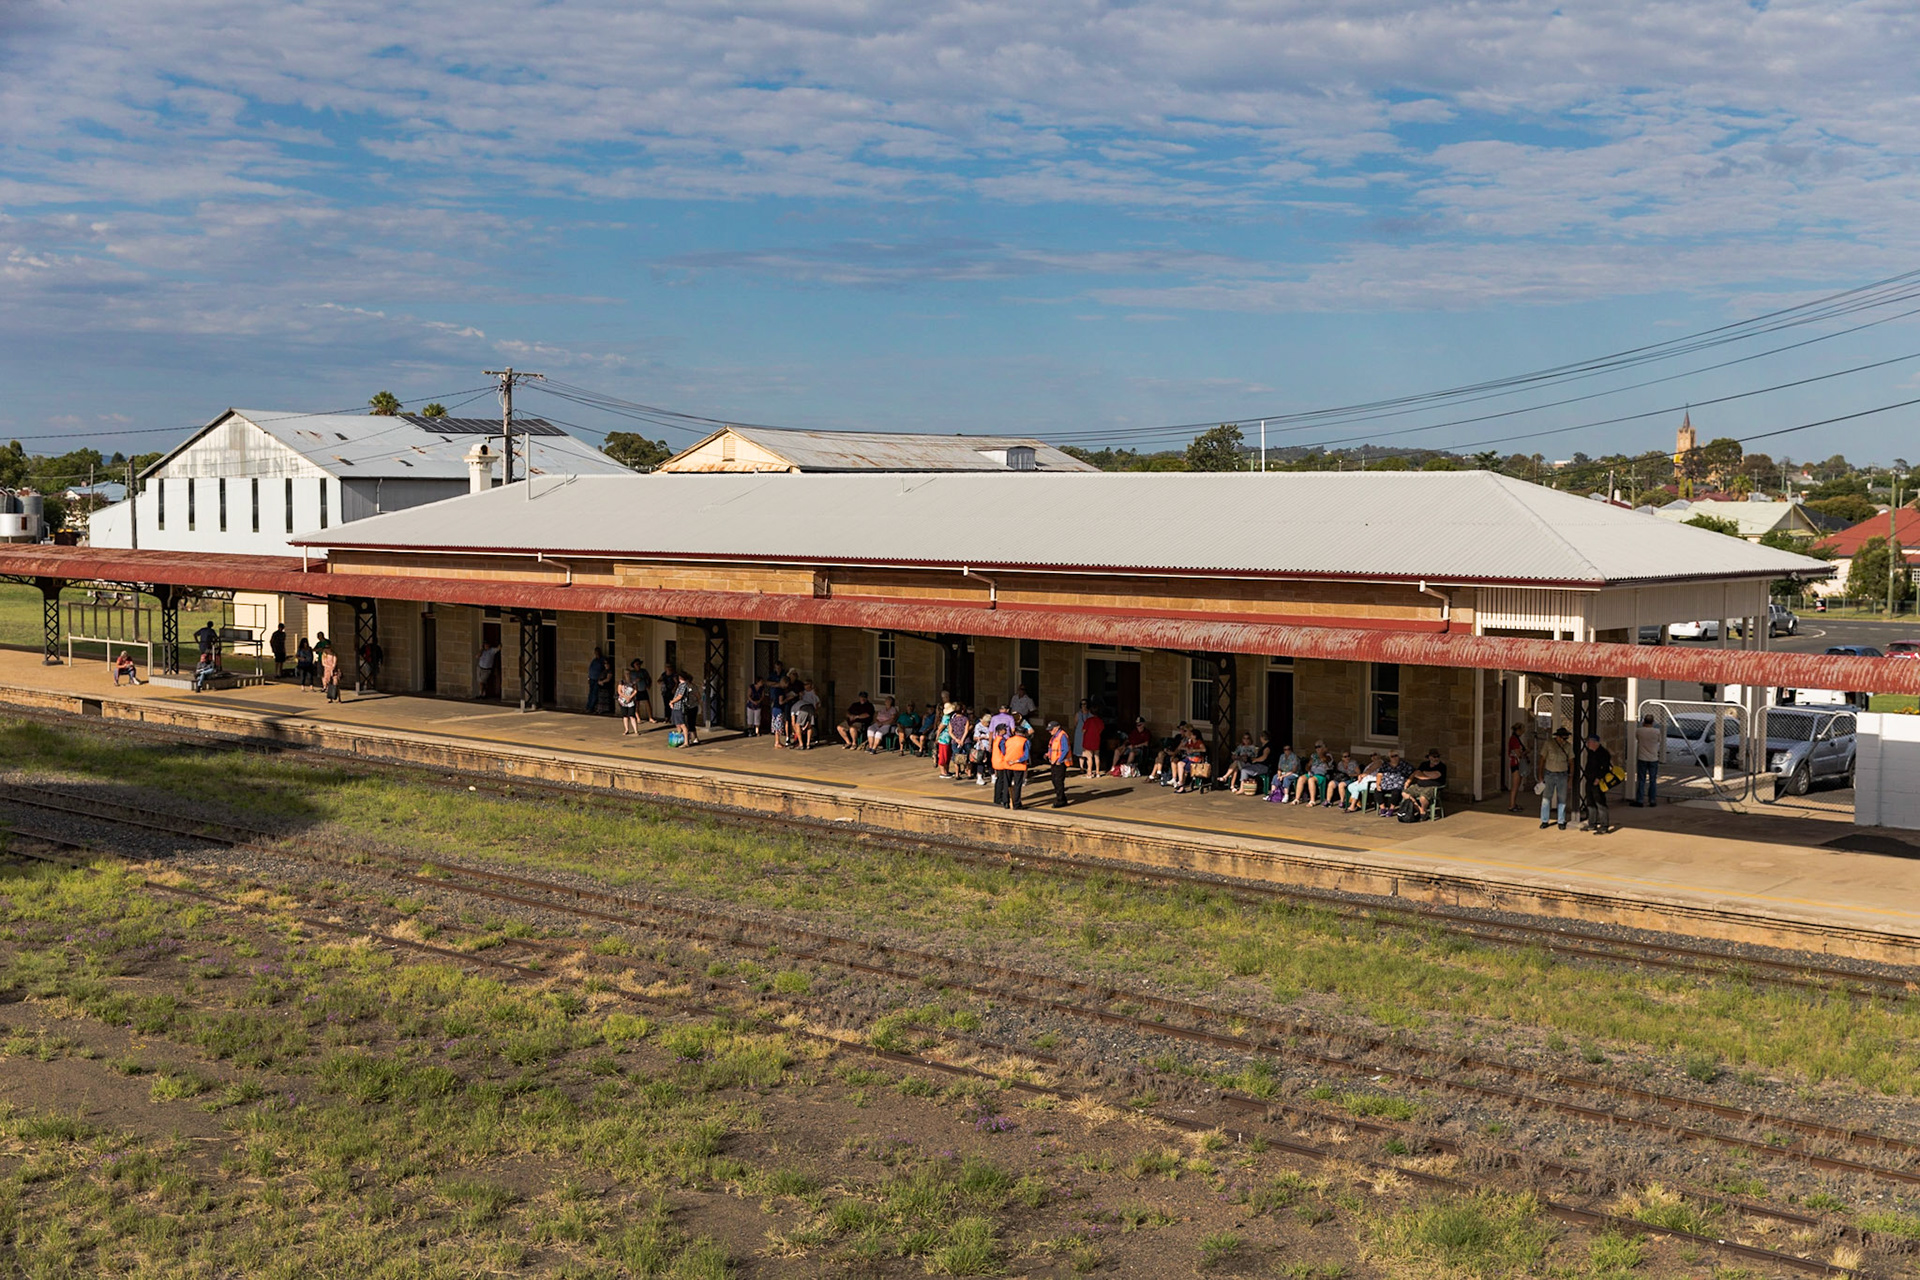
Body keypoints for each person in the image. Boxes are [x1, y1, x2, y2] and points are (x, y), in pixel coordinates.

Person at [1539, 726, 1572, 831]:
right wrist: (1540, 775)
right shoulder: (1549, 744)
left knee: (1562, 799)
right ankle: (1544, 820)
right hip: (1549, 774)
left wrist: (1570, 777)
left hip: (1562, 775)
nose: (1564, 740)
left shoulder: (1568, 746)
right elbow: (1542, 759)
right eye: (1563, 738)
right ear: (1557, 737)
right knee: (1546, 798)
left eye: (1565, 738)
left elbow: (1572, 762)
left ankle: (1561, 821)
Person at [1583, 733, 1615, 835]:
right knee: (1590, 803)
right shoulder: (1591, 752)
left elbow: (1605, 768)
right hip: (1589, 781)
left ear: (1594, 742)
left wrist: (1598, 778)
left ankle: (1604, 826)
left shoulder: (1603, 753)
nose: (1587, 744)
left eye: (1589, 742)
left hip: (1598, 782)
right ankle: (1592, 823)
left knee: (1600, 803)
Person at [1405, 749, 1447, 819]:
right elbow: (1416, 774)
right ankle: (1421, 810)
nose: (1436, 758)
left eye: (1438, 757)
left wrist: (1423, 774)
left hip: (1433, 786)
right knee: (1405, 793)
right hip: (1419, 785)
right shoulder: (1424, 764)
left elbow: (1436, 775)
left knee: (1423, 798)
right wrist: (1428, 776)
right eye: (1434, 757)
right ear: (1429, 757)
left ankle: (1423, 810)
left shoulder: (1442, 766)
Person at [1632, 713, 1662, 808]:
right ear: (1652, 722)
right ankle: (1652, 800)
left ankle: (1640, 800)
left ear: (1644, 721)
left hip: (1642, 757)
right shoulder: (1656, 731)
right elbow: (1659, 741)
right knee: (1653, 780)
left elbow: (1637, 738)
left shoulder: (1639, 731)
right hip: (1653, 758)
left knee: (1641, 779)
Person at [998, 721, 1030, 809]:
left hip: (1007, 764)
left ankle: (1006, 802)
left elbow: (1004, 751)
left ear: (1015, 732)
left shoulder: (1008, 740)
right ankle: (1016, 804)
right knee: (1017, 785)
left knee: (1006, 784)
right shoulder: (1025, 741)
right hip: (1018, 765)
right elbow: (1026, 755)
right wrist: (1017, 760)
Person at [1506, 723, 1534, 812]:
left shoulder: (1516, 739)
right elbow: (1518, 754)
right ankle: (1511, 804)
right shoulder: (1514, 740)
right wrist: (1526, 752)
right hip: (1516, 764)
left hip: (1516, 764)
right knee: (1515, 786)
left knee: (1517, 785)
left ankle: (1513, 803)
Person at [1374, 750, 1411, 816]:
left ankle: (1391, 809)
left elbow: (1414, 772)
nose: (1394, 758)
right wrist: (1378, 784)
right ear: (1389, 757)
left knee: (1396, 792)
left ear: (1399, 756)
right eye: (1392, 756)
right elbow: (1379, 774)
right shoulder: (1385, 764)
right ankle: (1383, 809)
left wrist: (1408, 781)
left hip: (1397, 783)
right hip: (1386, 783)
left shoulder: (1404, 764)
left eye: (1396, 756)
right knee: (1377, 790)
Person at [1045, 719, 1072, 808]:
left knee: (1058, 781)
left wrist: (1059, 760)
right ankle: (1062, 798)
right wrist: (1048, 754)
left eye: (1051, 729)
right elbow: (1052, 748)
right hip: (1054, 762)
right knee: (1055, 780)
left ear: (1057, 728)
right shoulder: (1054, 736)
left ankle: (1060, 800)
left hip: (1059, 763)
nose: (1049, 731)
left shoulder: (1062, 735)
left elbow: (1065, 749)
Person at [1077, 706, 1106, 776]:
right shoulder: (1100, 721)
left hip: (1088, 740)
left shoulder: (1089, 720)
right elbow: (1102, 729)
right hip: (1096, 739)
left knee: (1089, 757)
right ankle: (1098, 772)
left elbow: (1083, 730)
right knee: (1097, 756)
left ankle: (1089, 772)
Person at [791, 681, 820, 749]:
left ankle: (801, 744)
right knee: (809, 726)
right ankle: (808, 744)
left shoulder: (793, 708)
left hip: (804, 709)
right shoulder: (802, 697)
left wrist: (795, 731)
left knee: (797, 725)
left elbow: (793, 723)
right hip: (811, 707)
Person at [586, 648, 610, 715]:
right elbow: (590, 669)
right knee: (590, 693)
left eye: (597, 652)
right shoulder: (594, 660)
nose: (596, 654)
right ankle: (588, 707)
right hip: (592, 679)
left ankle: (591, 708)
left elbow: (606, 668)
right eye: (595, 652)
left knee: (594, 694)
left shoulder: (602, 660)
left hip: (597, 679)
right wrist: (589, 677)